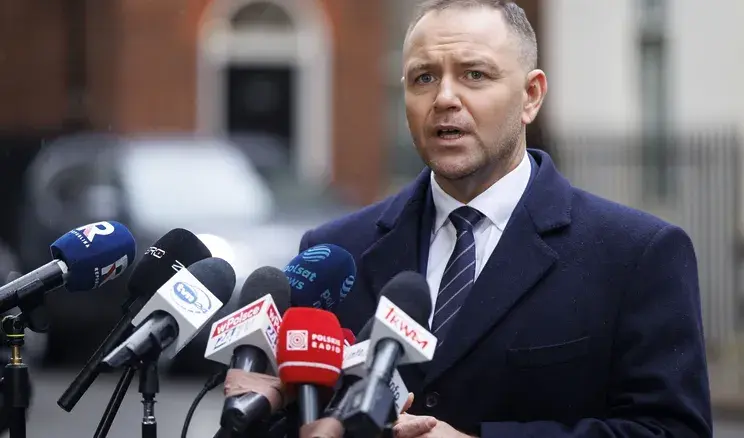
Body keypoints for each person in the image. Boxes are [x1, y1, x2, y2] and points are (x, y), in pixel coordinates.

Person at [298, 0, 712, 437]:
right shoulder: (334, 255)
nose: (444, 98)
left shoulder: (638, 254)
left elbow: (671, 430)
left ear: (531, 95)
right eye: (424, 78)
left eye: (474, 74)